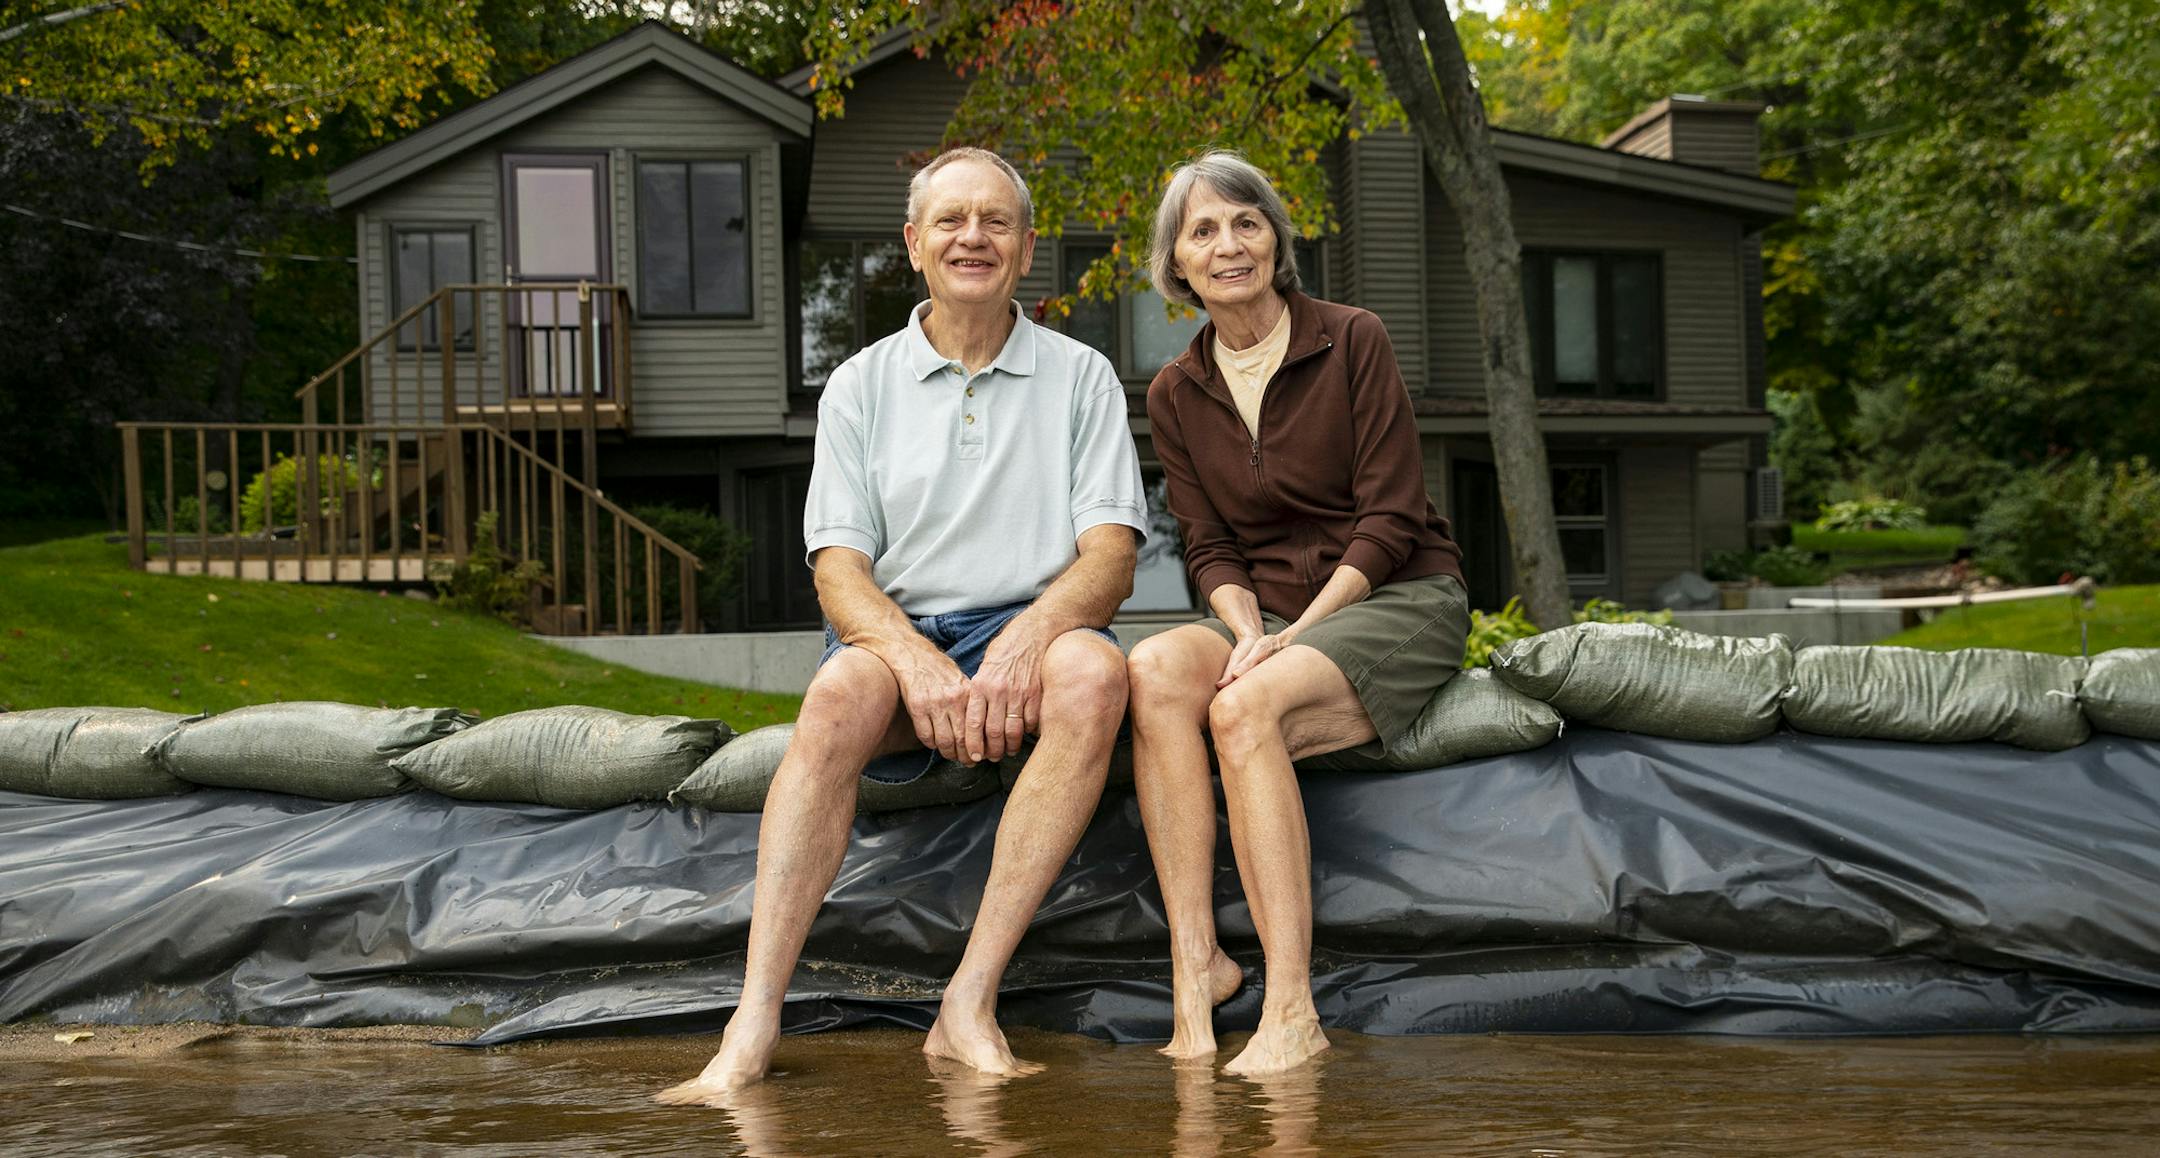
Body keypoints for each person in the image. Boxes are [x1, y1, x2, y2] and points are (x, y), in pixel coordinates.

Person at [658, 147, 1147, 1104]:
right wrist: (919, 663)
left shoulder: (1082, 377)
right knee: (839, 692)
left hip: (1032, 627)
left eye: (997, 222)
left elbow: (1112, 559)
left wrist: (1025, 641)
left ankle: (968, 1000)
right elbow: (839, 570)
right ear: (914, 245)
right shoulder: (860, 385)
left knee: (1093, 672)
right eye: (953, 221)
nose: (975, 237)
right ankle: (753, 1018)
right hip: (899, 631)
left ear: (1027, 247)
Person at [1127, 151, 1469, 1075]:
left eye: (1246, 222)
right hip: (1267, 613)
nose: (1228, 244)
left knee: (1241, 710)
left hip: (1396, 591)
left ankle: (1291, 1008)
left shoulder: (1352, 337)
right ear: (1177, 264)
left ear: (1276, 239)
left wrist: (1290, 638)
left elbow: (1392, 515)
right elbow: (1208, 547)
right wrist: (1246, 631)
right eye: (1203, 231)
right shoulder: (1173, 391)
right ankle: (1195, 969)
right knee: (1154, 670)